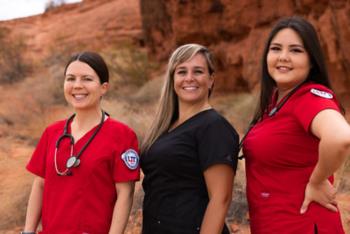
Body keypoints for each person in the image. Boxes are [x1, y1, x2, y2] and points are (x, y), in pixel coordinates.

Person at [242, 16, 350, 233]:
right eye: (276, 49)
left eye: (296, 50)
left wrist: (317, 181)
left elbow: (340, 137)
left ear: (312, 61)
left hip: (302, 224)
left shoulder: (309, 97)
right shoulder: (275, 104)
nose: (283, 57)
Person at [22, 51, 140, 234]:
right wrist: (28, 231)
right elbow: (39, 184)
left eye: (87, 79)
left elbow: (125, 194)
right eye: (70, 78)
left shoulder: (122, 135)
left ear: (104, 87)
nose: (77, 85)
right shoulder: (52, 133)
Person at [140, 43, 239, 234]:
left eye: (198, 71)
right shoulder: (165, 127)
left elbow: (221, 198)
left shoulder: (213, 126)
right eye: (182, 71)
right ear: (172, 79)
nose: (189, 78)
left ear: (211, 80)